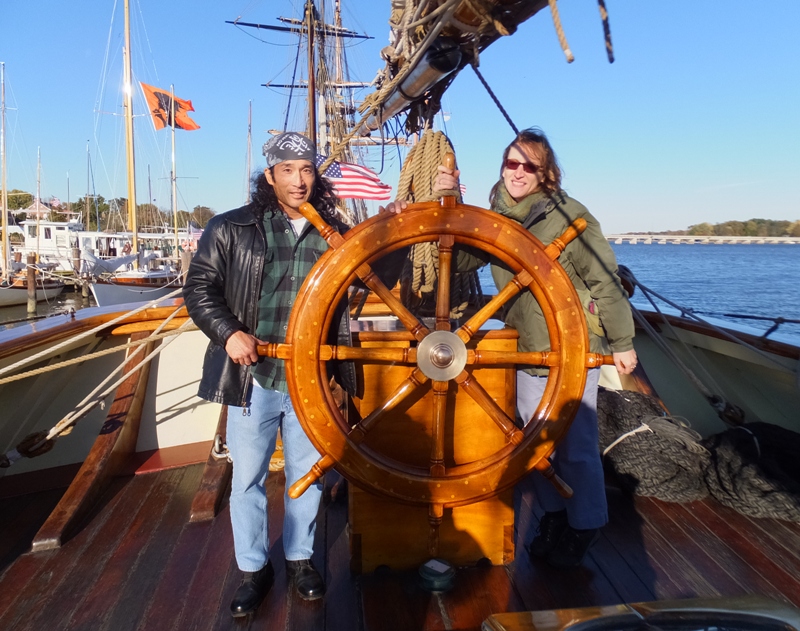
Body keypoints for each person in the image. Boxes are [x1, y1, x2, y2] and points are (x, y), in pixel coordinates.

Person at [431, 127, 638, 568]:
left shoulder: (569, 214)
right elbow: (461, 258)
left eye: (530, 166)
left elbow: (605, 278)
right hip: (526, 348)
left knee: (576, 445)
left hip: (572, 344)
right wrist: (446, 207)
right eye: (512, 163)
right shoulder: (495, 215)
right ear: (502, 166)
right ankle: (555, 517)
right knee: (534, 445)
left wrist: (622, 342)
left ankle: (586, 526)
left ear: (546, 173)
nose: (519, 172)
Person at [183, 132, 346, 617]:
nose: (299, 180)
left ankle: (299, 560)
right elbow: (199, 287)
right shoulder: (231, 227)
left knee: (306, 476)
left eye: (307, 170)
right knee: (247, 479)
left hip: (309, 377)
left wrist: (395, 228)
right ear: (270, 175)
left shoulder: (332, 232)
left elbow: (371, 273)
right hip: (254, 376)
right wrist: (228, 332)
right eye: (289, 170)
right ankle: (254, 568)